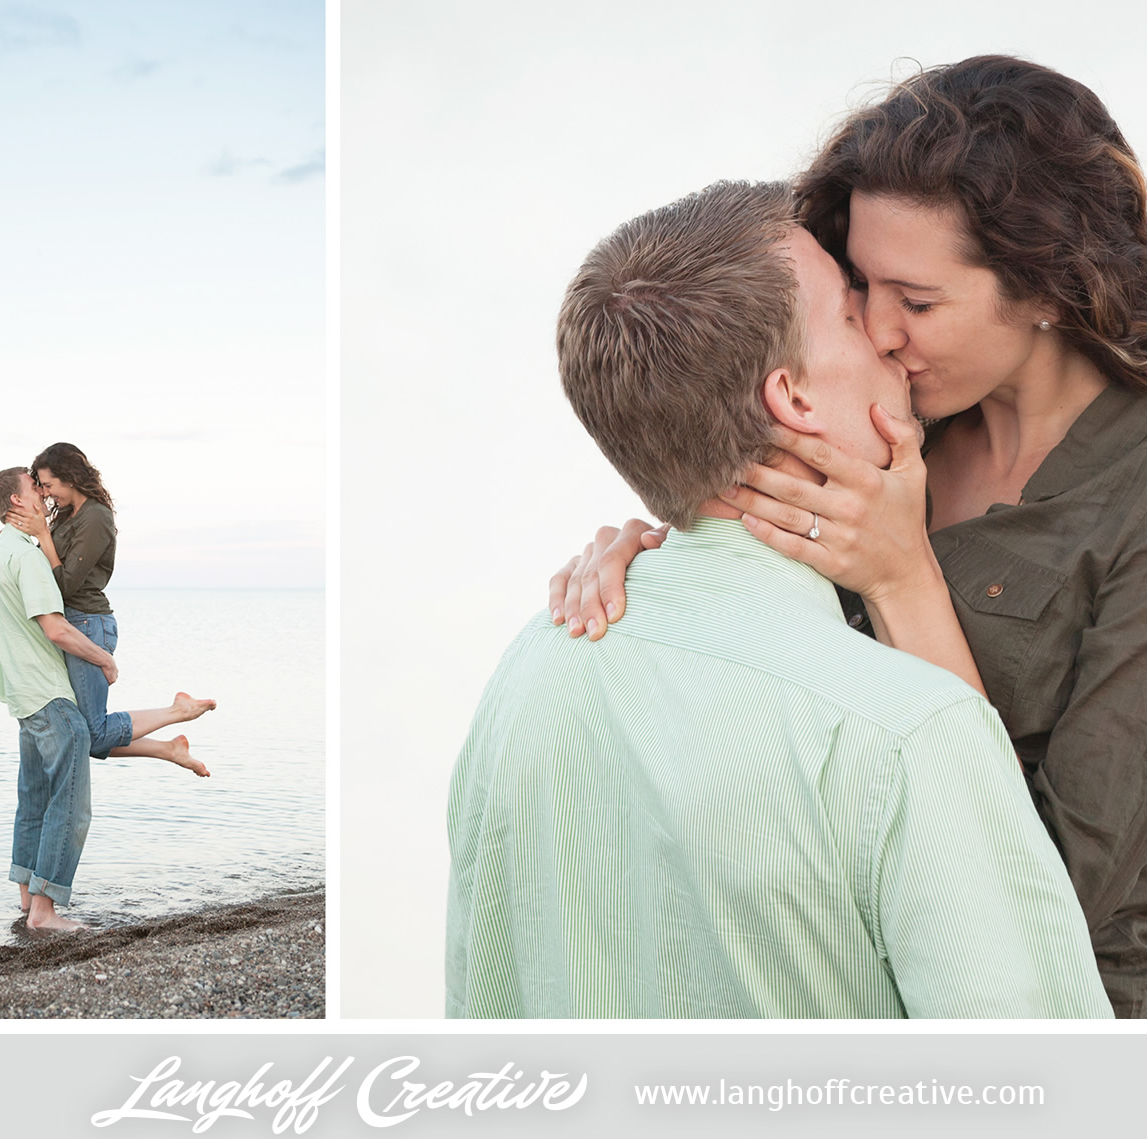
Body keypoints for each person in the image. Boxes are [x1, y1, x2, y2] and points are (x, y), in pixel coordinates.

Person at [548, 56, 1147, 1018]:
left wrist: (906, 584)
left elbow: (1046, 898)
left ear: (1048, 289)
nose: (878, 329)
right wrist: (653, 563)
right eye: (860, 285)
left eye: (920, 300)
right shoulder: (887, 425)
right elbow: (754, 625)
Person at [447, 179, 1112, 1019]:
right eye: (848, 309)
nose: (883, 332)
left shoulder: (526, 674)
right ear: (792, 399)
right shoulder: (908, 736)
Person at [5, 443, 216, 777]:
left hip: (88, 622)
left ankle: (177, 712)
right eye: (41, 486)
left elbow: (65, 585)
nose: (45, 494)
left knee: (92, 734)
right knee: (86, 735)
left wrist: (42, 534)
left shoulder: (96, 516)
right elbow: (45, 563)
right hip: (73, 622)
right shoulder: (67, 514)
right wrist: (9, 538)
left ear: (70, 478)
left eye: (49, 485)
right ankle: (168, 748)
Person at [0, 467, 116, 932]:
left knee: (34, 799)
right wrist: (104, 660)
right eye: (33, 489)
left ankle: (26, 897)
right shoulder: (26, 556)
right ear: (18, 504)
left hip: (22, 695)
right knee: (70, 807)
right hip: (50, 696)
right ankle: (45, 912)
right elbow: (55, 627)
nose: (42, 494)